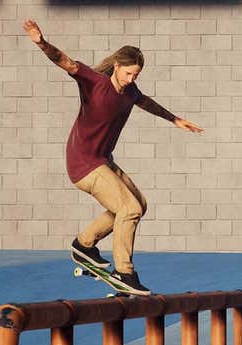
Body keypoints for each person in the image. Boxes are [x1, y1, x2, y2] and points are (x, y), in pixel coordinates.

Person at [23, 19, 204, 295]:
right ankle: (124, 272)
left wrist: (175, 119)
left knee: (139, 205)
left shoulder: (130, 91)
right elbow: (65, 61)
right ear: (117, 66)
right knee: (128, 209)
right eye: (129, 73)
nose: (132, 79)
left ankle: (84, 244)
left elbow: (144, 101)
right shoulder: (94, 82)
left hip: (103, 160)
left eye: (136, 75)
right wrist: (41, 42)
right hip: (83, 163)